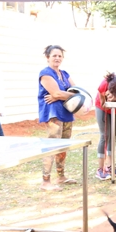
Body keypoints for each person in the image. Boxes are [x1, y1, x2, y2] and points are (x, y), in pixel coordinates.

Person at [37, 45, 78, 191]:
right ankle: (45, 181)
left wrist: (62, 94)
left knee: (63, 145)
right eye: (54, 55)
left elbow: (78, 91)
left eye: (60, 56)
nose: (57, 58)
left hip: (67, 112)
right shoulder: (45, 73)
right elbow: (56, 93)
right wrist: (64, 94)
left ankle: (61, 176)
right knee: (52, 145)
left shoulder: (64, 73)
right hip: (53, 114)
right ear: (47, 57)